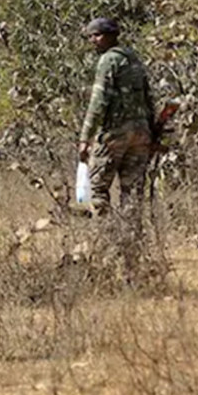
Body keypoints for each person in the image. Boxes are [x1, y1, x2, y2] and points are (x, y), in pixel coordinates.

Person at [77, 17, 156, 281]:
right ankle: (131, 254)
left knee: (98, 188)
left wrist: (86, 137)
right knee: (132, 194)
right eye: (91, 36)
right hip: (140, 134)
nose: (92, 41)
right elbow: (148, 97)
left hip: (116, 134)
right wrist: (152, 131)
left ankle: (110, 245)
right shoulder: (133, 58)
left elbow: (98, 102)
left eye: (96, 36)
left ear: (111, 36)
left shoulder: (109, 60)